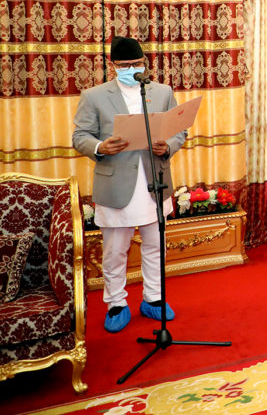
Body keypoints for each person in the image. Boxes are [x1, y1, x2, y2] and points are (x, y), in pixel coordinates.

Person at [71, 36, 185, 333]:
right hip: (116, 184)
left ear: (145, 63)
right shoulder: (94, 96)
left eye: (136, 63)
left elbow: (179, 131)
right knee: (115, 250)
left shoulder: (162, 92)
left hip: (154, 181)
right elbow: (80, 136)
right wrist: (100, 147)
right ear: (112, 66)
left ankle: (154, 298)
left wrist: (168, 146)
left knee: (155, 245)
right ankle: (116, 303)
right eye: (124, 65)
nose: (131, 69)